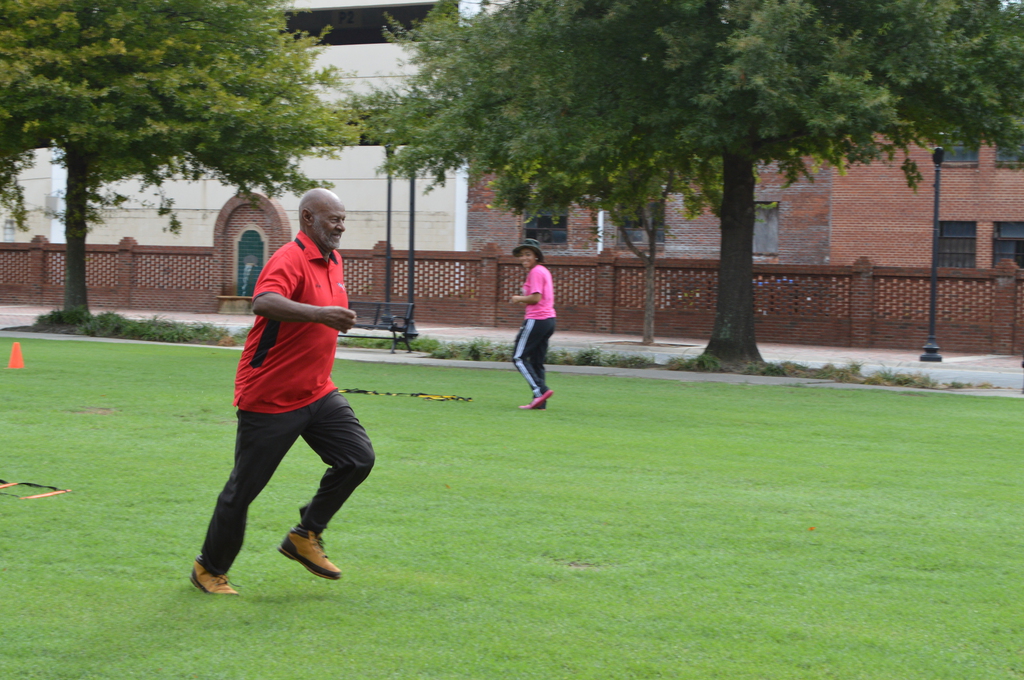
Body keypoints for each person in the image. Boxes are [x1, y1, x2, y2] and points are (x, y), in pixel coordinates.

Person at [190, 188, 375, 595]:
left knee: (358, 459)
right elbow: (264, 301)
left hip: (317, 391)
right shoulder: (289, 257)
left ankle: (305, 535)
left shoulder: (334, 260)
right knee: (243, 491)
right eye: (334, 219)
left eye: (343, 219)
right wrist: (320, 314)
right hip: (270, 396)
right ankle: (208, 569)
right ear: (308, 218)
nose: (341, 227)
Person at [509, 238, 556, 410]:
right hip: (548, 321)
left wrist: (518, 299)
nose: (524, 258)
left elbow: (536, 298)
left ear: (536, 256)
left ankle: (540, 391)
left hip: (537, 319)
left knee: (518, 357)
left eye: (528, 254)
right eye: (521, 255)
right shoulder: (543, 270)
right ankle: (540, 402)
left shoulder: (536, 272)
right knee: (536, 362)